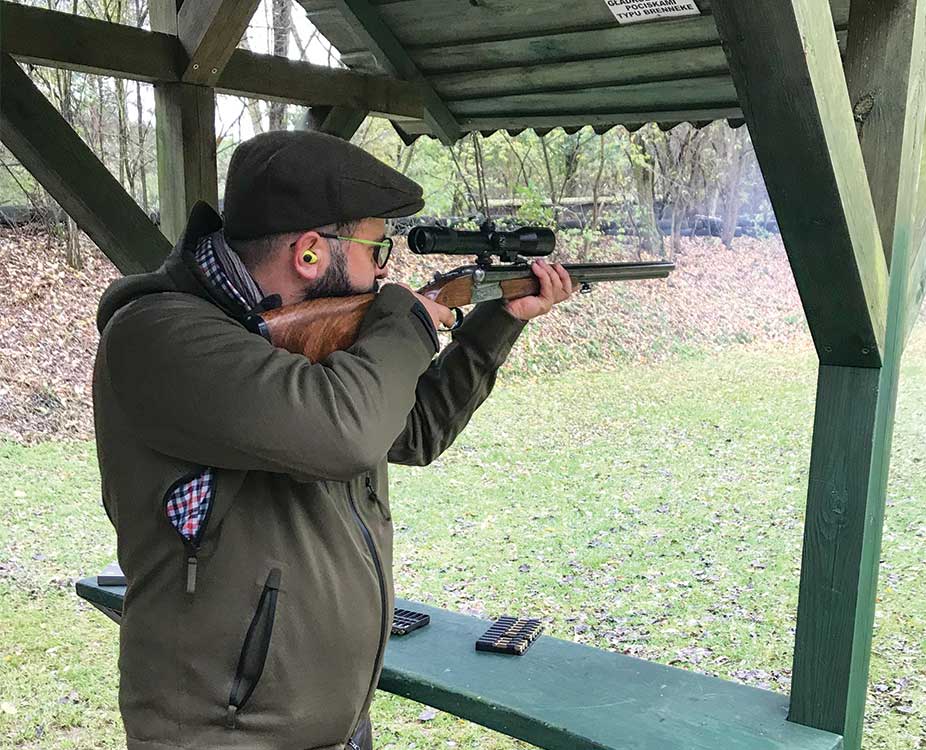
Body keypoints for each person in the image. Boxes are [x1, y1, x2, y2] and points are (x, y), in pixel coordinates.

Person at [91, 130, 573, 750]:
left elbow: (415, 431)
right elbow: (344, 432)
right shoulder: (157, 336)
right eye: (377, 249)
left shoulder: (320, 345)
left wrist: (494, 321)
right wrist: (411, 319)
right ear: (310, 253)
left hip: (334, 727)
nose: (383, 271)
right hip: (223, 736)